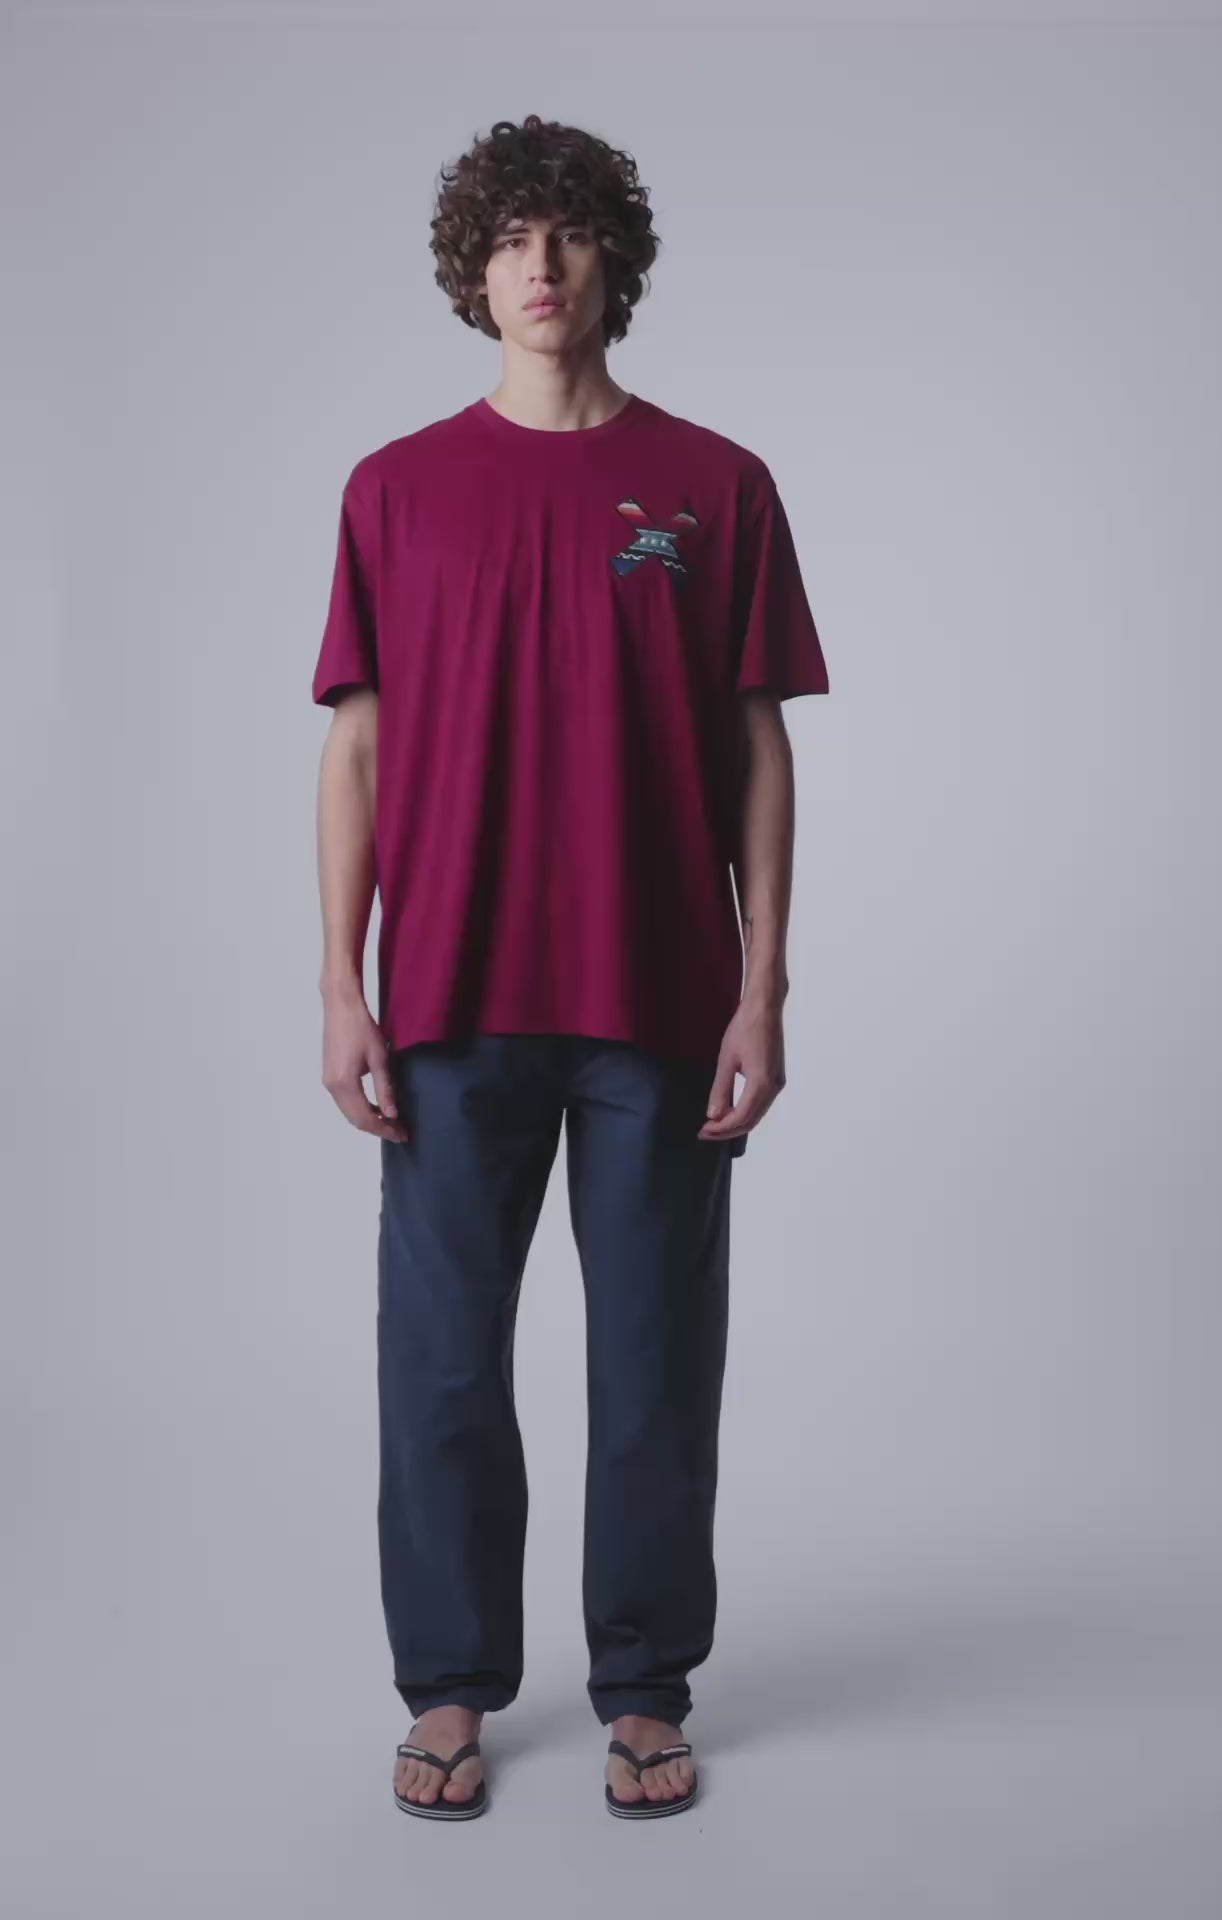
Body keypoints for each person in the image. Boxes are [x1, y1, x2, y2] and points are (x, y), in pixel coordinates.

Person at [311, 114, 830, 1822]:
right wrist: (342, 984)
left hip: (660, 999)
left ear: (616, 260)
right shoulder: (395, 489)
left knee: (654, 1367)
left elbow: (757, 750)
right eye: (510, 239)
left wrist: (762, 987)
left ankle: (644, 1685)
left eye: (571, 234)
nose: (541, 265)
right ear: (474, 274)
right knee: (443, 1366)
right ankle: (452, 1684)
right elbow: (357, 746)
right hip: (451, 1000)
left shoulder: (714, 486)